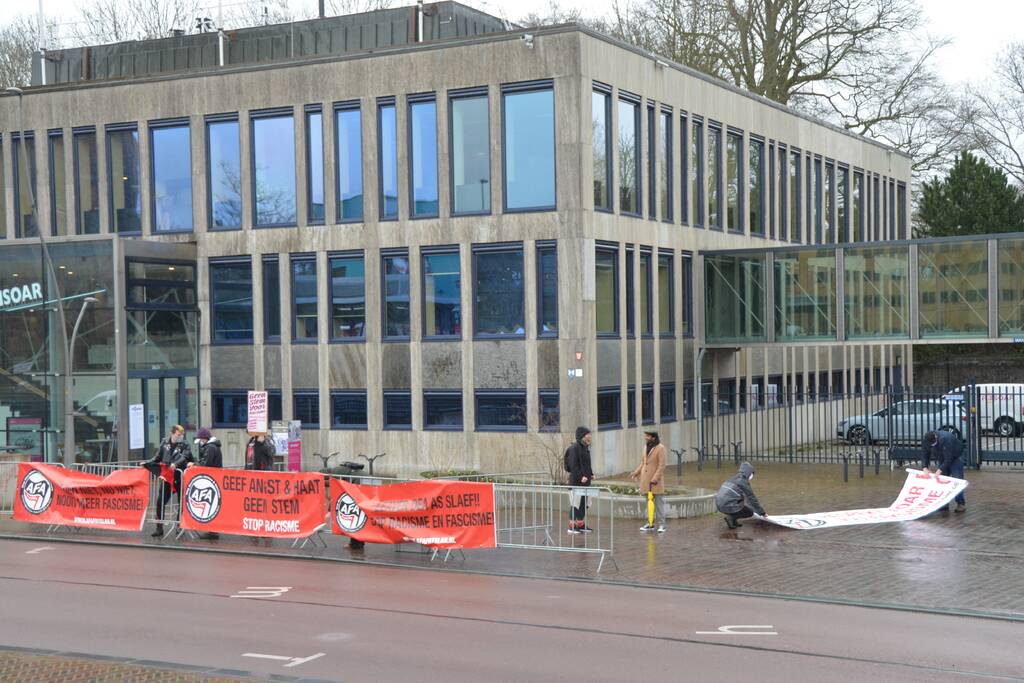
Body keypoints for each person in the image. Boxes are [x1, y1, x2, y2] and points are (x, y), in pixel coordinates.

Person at [143, 424, 193, 537]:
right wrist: (147, 463)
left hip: (180, 476)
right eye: (178, 435)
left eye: (182, 435)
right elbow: (157, 457)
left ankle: (179, 527)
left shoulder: (185, 444)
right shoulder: (165, 442)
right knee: (160, 501)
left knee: (182, 502)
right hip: (167, 477)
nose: (180, 437)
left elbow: (184, 457)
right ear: (172, 433)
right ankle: (159, 528)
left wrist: (176, 464)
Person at [631, 431, 667, 533]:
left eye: (648, 436)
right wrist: (635, 472)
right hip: (645, 481)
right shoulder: (645, 447)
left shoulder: (661, 448)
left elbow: (662, 465)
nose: (646, 438)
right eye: (645, 436)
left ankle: (662, 525)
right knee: (649, 504)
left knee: (659, 504)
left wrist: (655, 478)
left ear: (653, 438)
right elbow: (643, 463)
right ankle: (650, 523)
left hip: (656, 482)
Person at [189, 427, 222, 539]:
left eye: (201, 440)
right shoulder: (213, 446)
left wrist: (194, 465)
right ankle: (213, 530)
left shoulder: (210, 448)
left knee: (211, 504)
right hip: (214, 478)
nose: (200, 443)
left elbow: (205, 463)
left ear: (204, 439)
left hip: (212, 479)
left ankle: (213, 531)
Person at [921, 430, 966, 512]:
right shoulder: (926, 441)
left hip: (956, 456)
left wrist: (940, 470)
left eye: (934, 442)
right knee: (942, 480)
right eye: (931, 444)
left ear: (936, 437)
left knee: (957, 479)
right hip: (942, 456)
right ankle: (944, 504)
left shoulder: (946, 439)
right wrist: (924, 467)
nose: (933, 444)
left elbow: (949, 458)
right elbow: (925, 454)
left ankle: (960, 503)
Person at [715, 461, 766, 530]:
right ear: (748, 472)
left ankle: (733, 520)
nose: (751, 476)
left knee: (742, 503)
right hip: (726, 504)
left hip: (719, 504)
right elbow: (752, 498)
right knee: (749, 512)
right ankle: (731, 518)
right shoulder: (742, 481)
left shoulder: (734, 478)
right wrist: (762, 512)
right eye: (752, 473)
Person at [565, 426, 593, 534]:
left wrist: (591, 473)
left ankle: (580, 524)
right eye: (588, 435)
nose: (590, 436)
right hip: (576, 482)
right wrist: (581, 477)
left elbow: (586, 464)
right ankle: (571, 526)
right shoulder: (574, 449)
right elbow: (573, 466)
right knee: (575, 504)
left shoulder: (585, 448)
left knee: (584, 503)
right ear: (582, 436)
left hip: (586, 483)